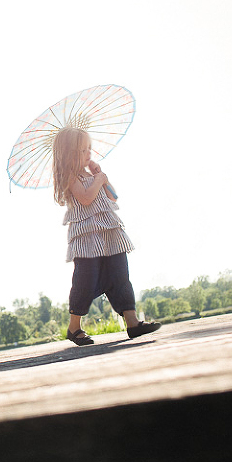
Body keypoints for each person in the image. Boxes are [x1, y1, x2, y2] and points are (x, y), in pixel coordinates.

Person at [52, 127, 160, 346]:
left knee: (119, 273)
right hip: (87, 237)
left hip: (108, 232)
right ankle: (74, 327)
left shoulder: (93, 174)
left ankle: (131, 322)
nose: (88, 154)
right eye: (83, 150)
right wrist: (98, 180)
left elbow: (113, 197)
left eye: (89, 149)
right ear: (69, 154)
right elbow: (85, 198)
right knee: (85, 279)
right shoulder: (70, 177)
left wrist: (101, 176)